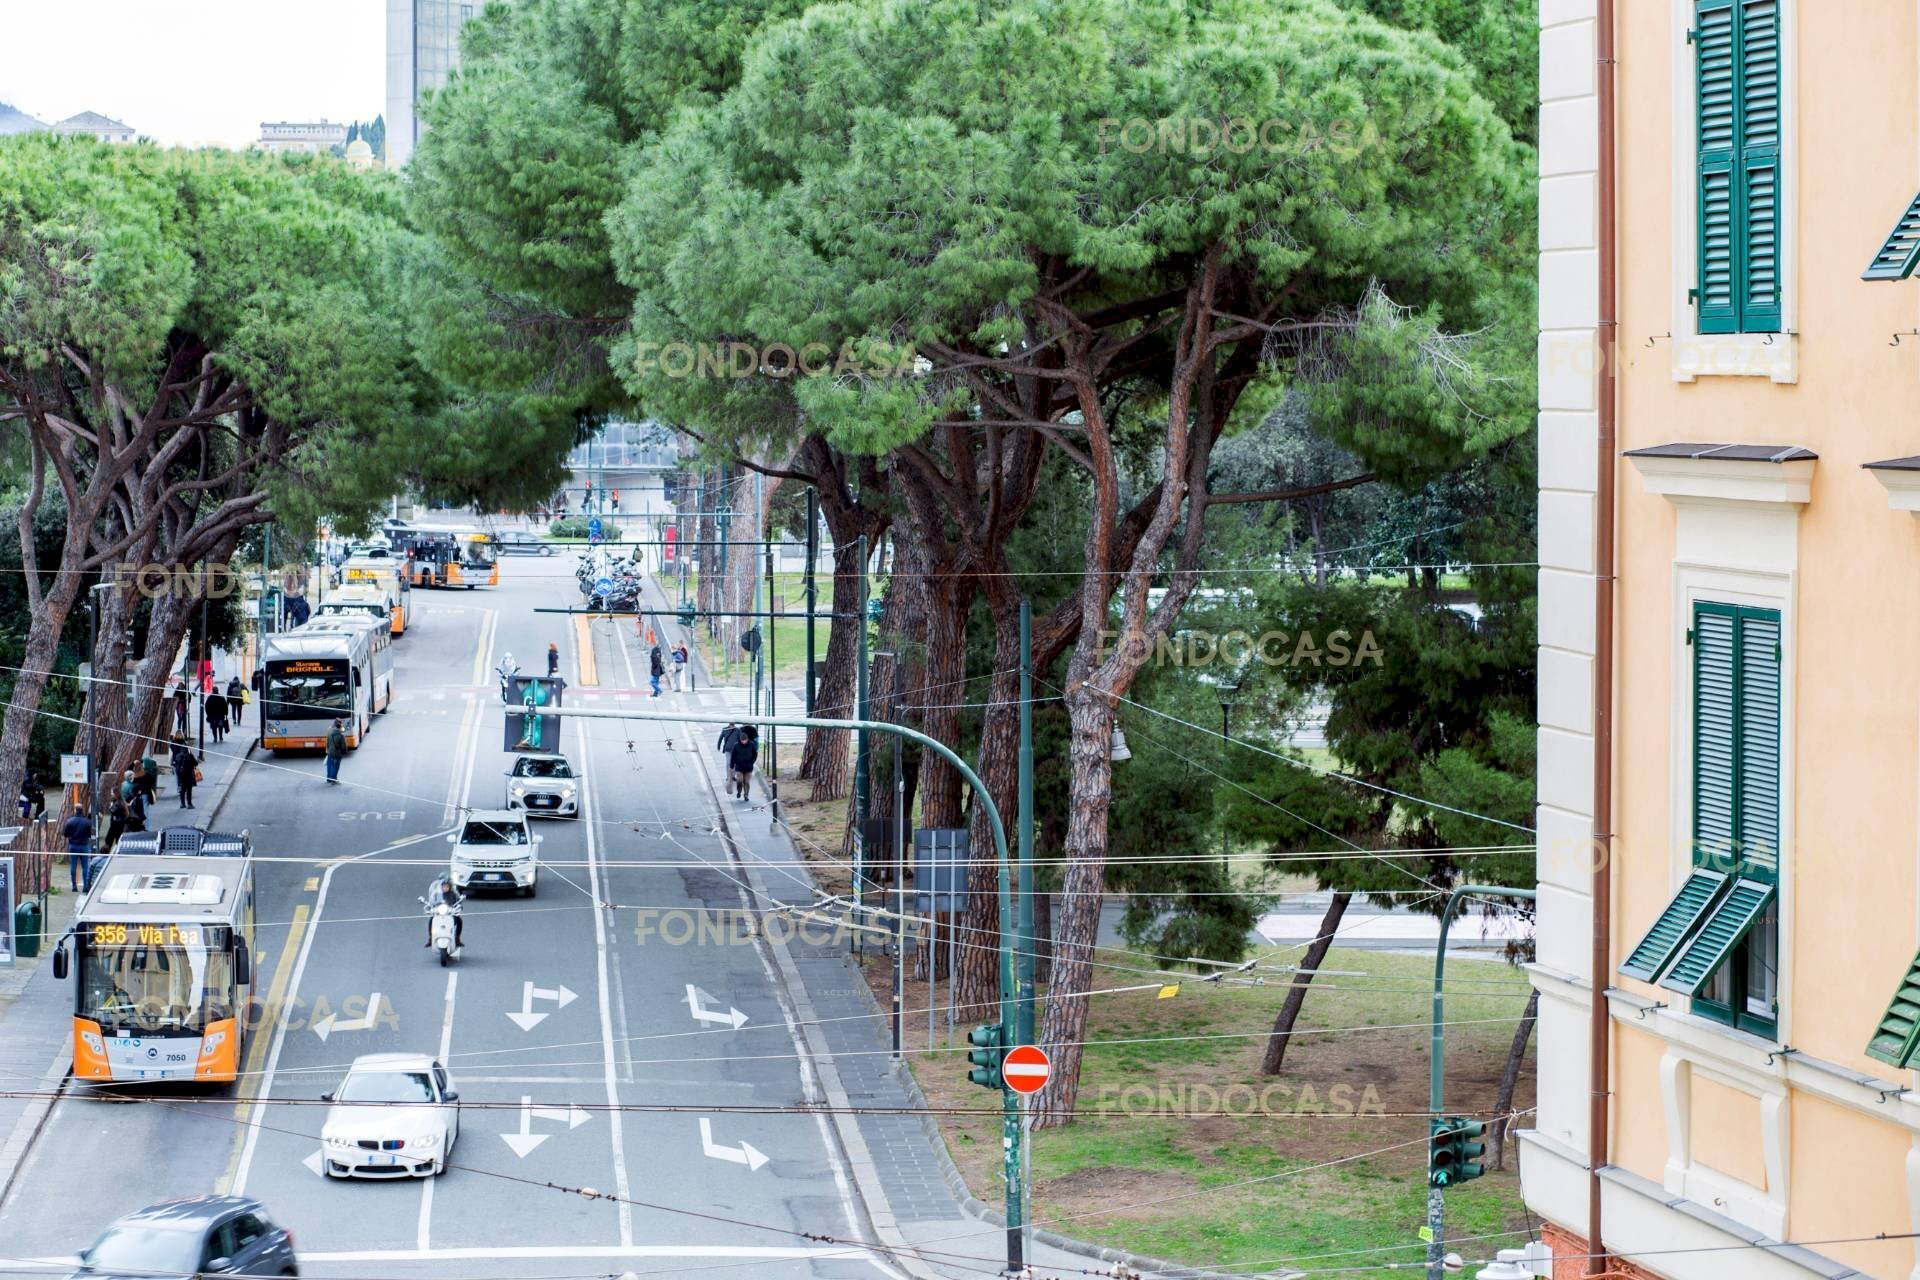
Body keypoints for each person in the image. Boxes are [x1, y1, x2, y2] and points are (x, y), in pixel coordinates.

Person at [423, 875, 465, 949]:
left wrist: (457, 906)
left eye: (447, 887)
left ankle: (457, 939)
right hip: (439, 912)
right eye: (444, 886)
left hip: (450, 912)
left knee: (459, 920)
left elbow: (458, 902)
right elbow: (432, 902)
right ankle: (430, 939)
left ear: (450, 887)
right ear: (441, 886)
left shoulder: (453, 894)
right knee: (431, 920)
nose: (445, 888)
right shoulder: (436, 894)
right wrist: (430, 905)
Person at [62, 807, 93, 892]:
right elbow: (90, 834)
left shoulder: (70, 821)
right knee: (85, 866)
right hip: (84, 845)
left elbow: (66, 834)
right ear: (82, 811)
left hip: (73, 845)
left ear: (75, 810)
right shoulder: (87, 822)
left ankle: (74, 886)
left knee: (73, 865)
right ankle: (85, 886)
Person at [727, 725, 759, 801]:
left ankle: (746, 795)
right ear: (740, 740)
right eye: (742, 740)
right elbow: (733, 756)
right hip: (739, 767)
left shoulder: (751, 745)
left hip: (748, 767)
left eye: (745, 740)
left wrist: (752, 762)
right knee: (739, 781)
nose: (744, 742)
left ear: (747, 739)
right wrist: (732, 765)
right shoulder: (736, 746)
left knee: (747, 782)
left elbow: (755, 754)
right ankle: (739, 791)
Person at [171, 742, 199, 809]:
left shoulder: (178, 756)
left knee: (182, 789)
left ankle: (182, 804)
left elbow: (174, 764)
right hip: (189, 775)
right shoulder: (190, 756)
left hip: (180, 775)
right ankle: (189, 804)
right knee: (189, 790)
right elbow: (196, 763)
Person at [325, 718, 346, 785]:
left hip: (330, 750)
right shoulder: (340, 734)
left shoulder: (329, 729)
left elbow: (327, 741)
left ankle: (329, 779)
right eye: (341, 723)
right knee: (336, 766)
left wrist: (328, 749)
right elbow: (343, 745)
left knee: (329, 766)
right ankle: (334, 780)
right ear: (339, 724)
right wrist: (343, 752)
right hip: (337, 752)